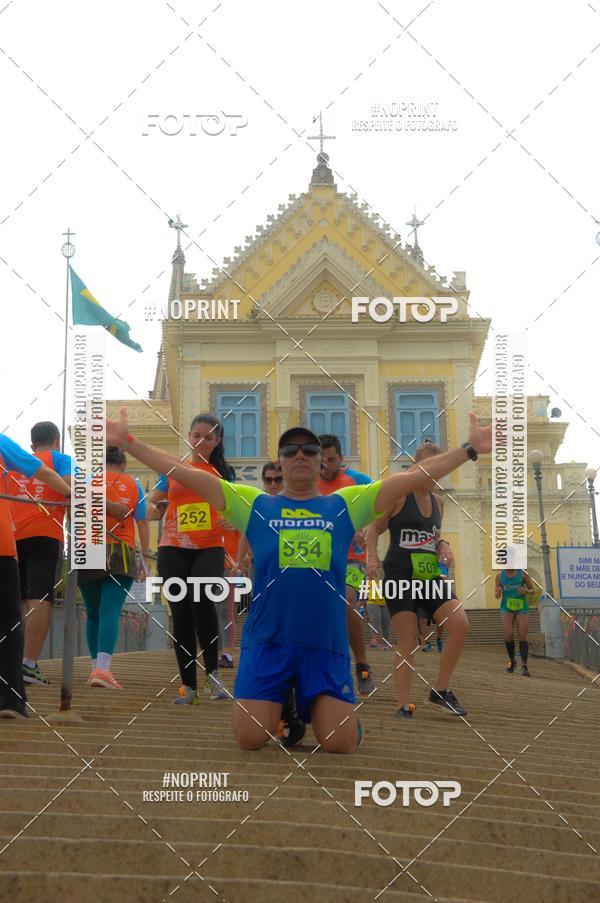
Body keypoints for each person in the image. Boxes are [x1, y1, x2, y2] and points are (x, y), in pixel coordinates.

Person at [107, 407, 491, 753]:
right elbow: (182, 471)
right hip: (267, 644)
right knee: (250, 739)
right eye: (290, 451)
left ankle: (325, 710)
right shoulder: (253, 504)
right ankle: (284, 702)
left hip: (324, 647)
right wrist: (129, 442)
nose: (300, 456)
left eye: (309, 449)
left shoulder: (345, 504)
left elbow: (413, 477)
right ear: (281, 461)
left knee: (339, 744)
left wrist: (468, 450)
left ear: (320, 460)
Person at [366, 442, 466, 720]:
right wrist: (372, 556)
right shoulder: (399, 495)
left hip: (428, 574)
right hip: (399, 574)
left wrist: (443, 545)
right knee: (408, 637)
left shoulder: (439, 502)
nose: (433, 472)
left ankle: (440, 690)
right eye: (428, 466)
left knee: (459, 623)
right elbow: (373, 529)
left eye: (439, 467)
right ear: (415, 467)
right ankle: (402, 703)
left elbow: (433, 535)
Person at [148, 413, 233, 704]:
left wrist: (231, 520)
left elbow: (234, 507)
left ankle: (213, 676)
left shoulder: (222, 472)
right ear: (189, 435)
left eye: (208, 437)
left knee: (203, 601)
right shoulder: (173, 468)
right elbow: (151, 502)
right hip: (172, 545)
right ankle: (189, 687)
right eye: (197, 435)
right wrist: (154, 507)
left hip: (209, 546)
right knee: (180, 611)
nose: (201, 441)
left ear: (217, 441)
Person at [0, 433, 70, 718]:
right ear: (56, 440)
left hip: (16, 534)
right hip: (16, 540)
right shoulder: (58, 458)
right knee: (9, 617)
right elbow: (42, 472)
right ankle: (12, 696)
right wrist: (71, 493)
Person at [79, 447, 149, 689]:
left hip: (88, 547)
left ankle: (94, 668)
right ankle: (104, 670)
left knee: (94, 612)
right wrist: (144, 558)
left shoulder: (88, 480)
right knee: (110, 611)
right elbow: (142, 521)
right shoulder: (133, 484)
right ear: (123, 465)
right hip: (121, 551)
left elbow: (74, 513)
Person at [317, 434, 375, 696]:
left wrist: (365, 527)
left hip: (352, 559)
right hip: (317, 560)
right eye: (321, 459)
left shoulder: (358, 481)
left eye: (331, 459)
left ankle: (362, 664)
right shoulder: (309, 482)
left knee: (344, 602)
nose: (325, 465)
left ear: (341, 459)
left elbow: (385, 504)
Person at [495, 567, 536, 675]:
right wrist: (498, 592)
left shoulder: (522, 574)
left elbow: (533, 590)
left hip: (521, 607)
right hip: (506, 608)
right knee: (509, 635)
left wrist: (526, 590)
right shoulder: (499, 576)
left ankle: (524, 665)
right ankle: (512, 661)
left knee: (522, 636)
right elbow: (496, 595)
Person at [367, 580, 390, 650]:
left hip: (387, 602)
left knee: (386, 624)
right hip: (373, 601)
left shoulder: (389, 575)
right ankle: (374, 640)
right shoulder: (370, 575)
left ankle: (385, 643)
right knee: (375, 620)